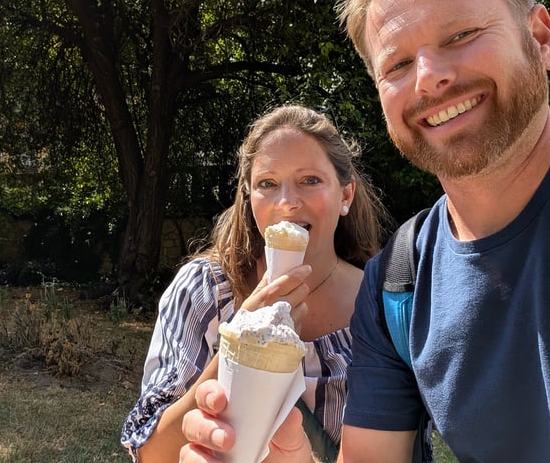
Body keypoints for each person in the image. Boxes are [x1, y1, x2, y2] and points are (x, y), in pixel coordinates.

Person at [178, 0, 550, 462]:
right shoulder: (397, 285)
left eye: (461, 35)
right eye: (398, 64)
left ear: (541, 38)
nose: (429, 78)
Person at [120, 104, 390, 462]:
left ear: (345, 195)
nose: (287, 203)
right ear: (249, 199)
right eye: (268, 184)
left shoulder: (383, 306)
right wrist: (242, 337)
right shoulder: (205, 290)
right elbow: (150, 453)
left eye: (310, 180)